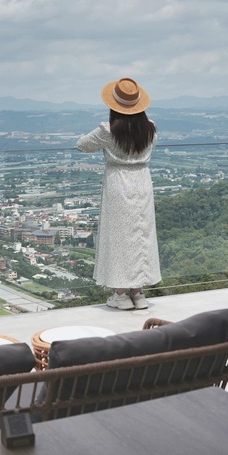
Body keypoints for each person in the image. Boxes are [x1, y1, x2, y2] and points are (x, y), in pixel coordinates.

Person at [76, 77, 161, 311]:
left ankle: (121, 294)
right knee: (141, 233)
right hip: (142, 180)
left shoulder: (108, 130)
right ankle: (139, 292)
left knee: (118, 236)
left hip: (118, 182)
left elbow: (82, 144)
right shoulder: (150, 127)